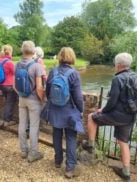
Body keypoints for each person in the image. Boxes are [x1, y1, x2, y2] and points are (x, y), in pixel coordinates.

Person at [82, 53, 136, 181]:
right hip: (130, 116)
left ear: (117, 65)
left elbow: (112, 101)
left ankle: (90, 145)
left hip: (117, 115)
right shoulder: (136, 77)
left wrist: (102, 110)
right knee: (123, 142)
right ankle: (126, 173)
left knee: (91, 117)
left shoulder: (117, 79)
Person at [43, 47, 84, 178]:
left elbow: (47, 92)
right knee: (71, 137)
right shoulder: (74, 74)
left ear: (60, 57)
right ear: (72, 57)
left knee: (56, 135)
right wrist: (81, 110)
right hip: (70, 111)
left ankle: (57, 161)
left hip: (55, 109)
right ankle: (70, 168)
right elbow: (78, 97)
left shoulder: (52, 72)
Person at [17, 41, 44, 162]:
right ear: (33, 52)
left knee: (22, 124)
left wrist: (21, 95)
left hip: (22, 99)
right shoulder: (37, 66)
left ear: (22, 51)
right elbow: (39, 87)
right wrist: (42, 99)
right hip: (33, 100)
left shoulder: (17, 64)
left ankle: (23, 150)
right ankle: (33, 153)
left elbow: (14, 85)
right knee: (34, 126)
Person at [0, 45, 18, 127]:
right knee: (9, 103)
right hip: (9, 85)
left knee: (6, 102)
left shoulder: (0, 61)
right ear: (10, 52)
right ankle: (6, 120)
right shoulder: (9, 62)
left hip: (2, 84)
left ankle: (2, 120)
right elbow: (16, 73)